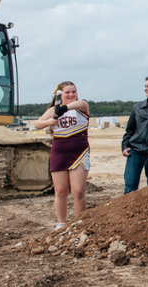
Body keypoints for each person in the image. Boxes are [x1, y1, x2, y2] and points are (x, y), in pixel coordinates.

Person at [34, 81, 90, 230]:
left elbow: (81, 104)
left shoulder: (81, 106)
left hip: (79, 152)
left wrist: (63, 108)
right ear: (60, 94)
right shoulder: (53, 110)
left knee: (78, 190)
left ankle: (80, 222)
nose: (71, 95)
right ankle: (61, 223)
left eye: (74, 92)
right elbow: (37, 124)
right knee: (60, 190)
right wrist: (49, 121)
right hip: (59, 152)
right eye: (67, 92)